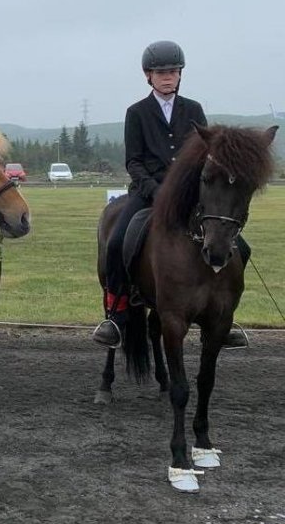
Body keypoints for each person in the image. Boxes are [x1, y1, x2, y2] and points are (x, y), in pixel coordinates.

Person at [92, 40, 249, 348]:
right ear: (148, 76)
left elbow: (206, 155)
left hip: (189, 196)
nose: (167, 77)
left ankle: (224, 316)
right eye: (160, 72)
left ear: (180, 74)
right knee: (118, 242)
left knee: (240, 246)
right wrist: (157, 189)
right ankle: (116, 315)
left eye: (173, 71)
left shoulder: (194, 110)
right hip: (146, 192)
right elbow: (133, 161)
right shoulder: (136, 112)